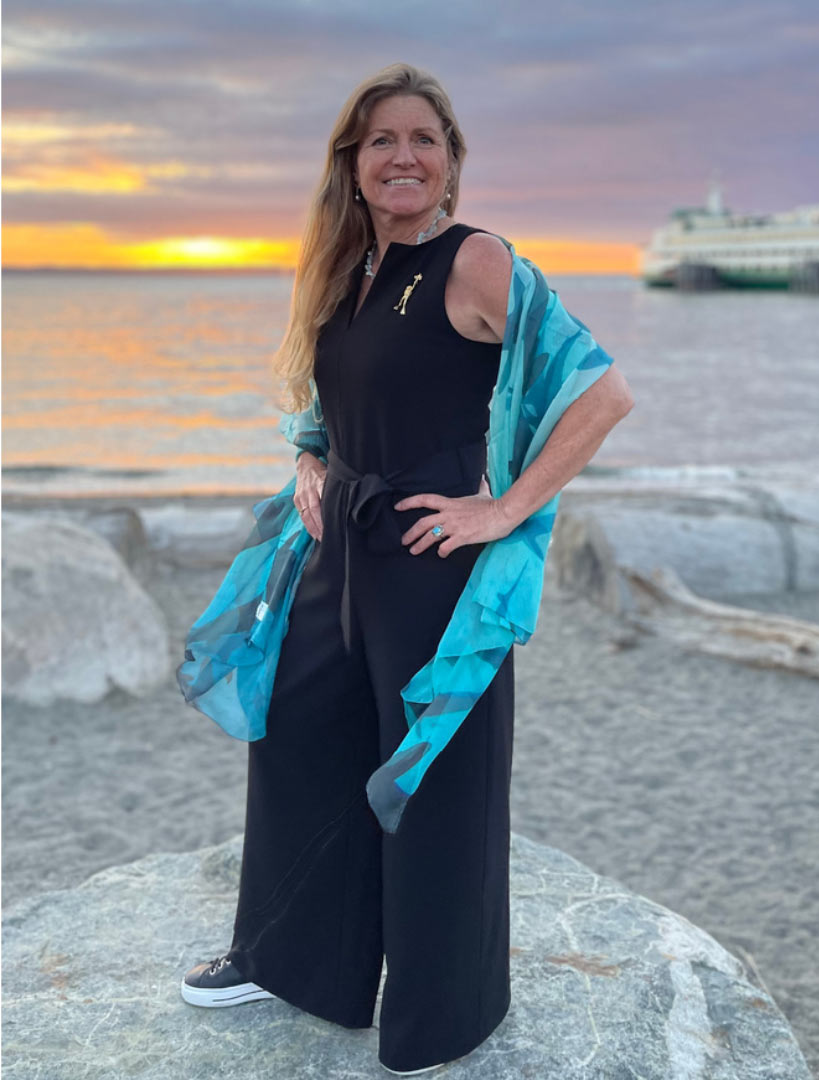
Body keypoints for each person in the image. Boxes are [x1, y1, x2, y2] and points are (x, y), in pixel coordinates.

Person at [173, 63, 634, 1075]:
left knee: (434, 775)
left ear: (452, 162)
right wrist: (306, 459)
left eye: (425, 138)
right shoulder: (346, 270)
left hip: (432, 558)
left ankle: (442, 1017)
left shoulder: (476, 261)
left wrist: (503, 508)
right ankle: (294, 964)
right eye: (382, 139)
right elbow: (328, 399)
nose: (404, 156)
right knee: (299, 738)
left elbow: (600, 393)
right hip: (339, 548)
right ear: (352, 162)